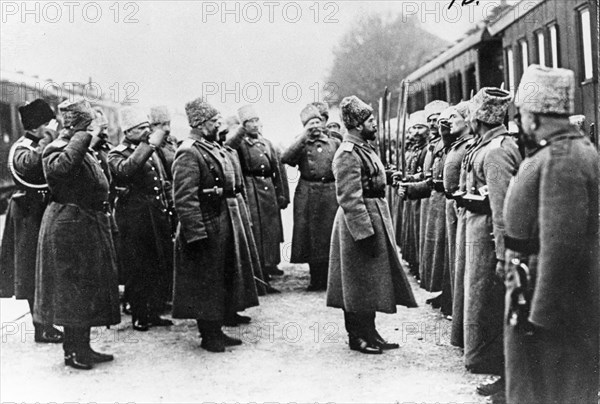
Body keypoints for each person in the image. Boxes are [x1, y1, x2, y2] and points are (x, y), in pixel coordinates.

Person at [503, 65, 599, 404]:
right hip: (539, 293)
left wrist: (540, 317)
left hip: (552, 308)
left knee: (554, 390)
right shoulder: (559, 150)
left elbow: (561, 246)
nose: (520, 121)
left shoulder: (562, 158)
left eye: (523, 113)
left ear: (535, 114)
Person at [327, 95, 417, 355]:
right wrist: (363, 233)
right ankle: (357, 336)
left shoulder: (364, 148)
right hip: (359, 223)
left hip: (375, 215)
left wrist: (387, 176)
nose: (375, 123)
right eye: (370, 120)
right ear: (356, 125)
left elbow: (370, 178)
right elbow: (349, 196)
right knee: (356, 282)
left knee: (371, 281)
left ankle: (371, 332)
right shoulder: (347, 153)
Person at [35, 98, 120, 370]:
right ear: (77, 125)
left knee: (86, 289)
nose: (95, 129)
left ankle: (83, 346)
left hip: (85, 224)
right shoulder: (54, 149)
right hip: (68, 227)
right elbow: (61, 169)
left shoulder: (81, 149)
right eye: (89, 124)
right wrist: (82, 135)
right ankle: (72, 352)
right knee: (72, 290)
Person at [172, 98, 260, 352]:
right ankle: (208, 335)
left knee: (218, 277)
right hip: (204, 224)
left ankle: (216, 330)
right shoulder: (189, 151)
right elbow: (184, 198)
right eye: (212, 121)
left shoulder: (209, 146)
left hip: (219, 220)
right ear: (199, 124)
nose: (217, 125)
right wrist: (196, 233)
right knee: (205, 281)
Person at [460, 87, 521, 398]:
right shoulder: (490, 145)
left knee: (493, 304)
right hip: (482, 234)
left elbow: (502, 210)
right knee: (486, 302)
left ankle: (503, 372)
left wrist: (501, 255)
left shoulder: (495, 151)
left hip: (489, 238)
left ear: (478, 118)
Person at [0, 99, 63, 343]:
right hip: (28, 214)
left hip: (40, 210)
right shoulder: (23, 147)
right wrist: (49, 140)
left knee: (46, 268)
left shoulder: (38, 142)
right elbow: (28, 166)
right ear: (37, 127)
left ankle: (47, 321)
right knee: (31, 270)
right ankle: (41, 326)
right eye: (48, 123)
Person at [109, 107, 174, 331]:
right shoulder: (117, 153)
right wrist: (148, 146)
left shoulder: (150, 150)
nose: (146, 131)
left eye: (146, 127)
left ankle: (154, 311)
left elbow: (162, 181)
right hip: (134, 217)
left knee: (157, 262)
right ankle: (139, 313)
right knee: (137, 267)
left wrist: (168, 206)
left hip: (155, 213)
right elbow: (126, 170)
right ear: (128, 131)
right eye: (140, 128)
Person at [225, 105, 288, 279]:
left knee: (271, 230)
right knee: (257, 230)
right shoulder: (241, 143)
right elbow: (228, 145)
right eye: (249, 122)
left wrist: (281, 193)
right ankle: (259, 271)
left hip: (268, 189)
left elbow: (277, 169)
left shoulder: (267, 143)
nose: (254, 125)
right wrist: (240, 131)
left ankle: (270, 264)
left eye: (256, 120)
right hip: (251, 188)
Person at [282, 104, 340, 291]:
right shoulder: (301, 144)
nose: (315, 126)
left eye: (317, 122)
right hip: (308, 192)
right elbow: (286, 158)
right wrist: (303, 137)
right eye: (310, 123)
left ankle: (332, 277)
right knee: (312, 236)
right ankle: (316, 278)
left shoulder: (334, 142)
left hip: (330, 191)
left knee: (330, 234)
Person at [442, 101, 475, 348]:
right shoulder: (457, 145)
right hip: (456, 207)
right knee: (456, 263)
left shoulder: (468, 146)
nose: (449, 121)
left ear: (467, 120)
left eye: (454, 116)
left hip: (464, 207)